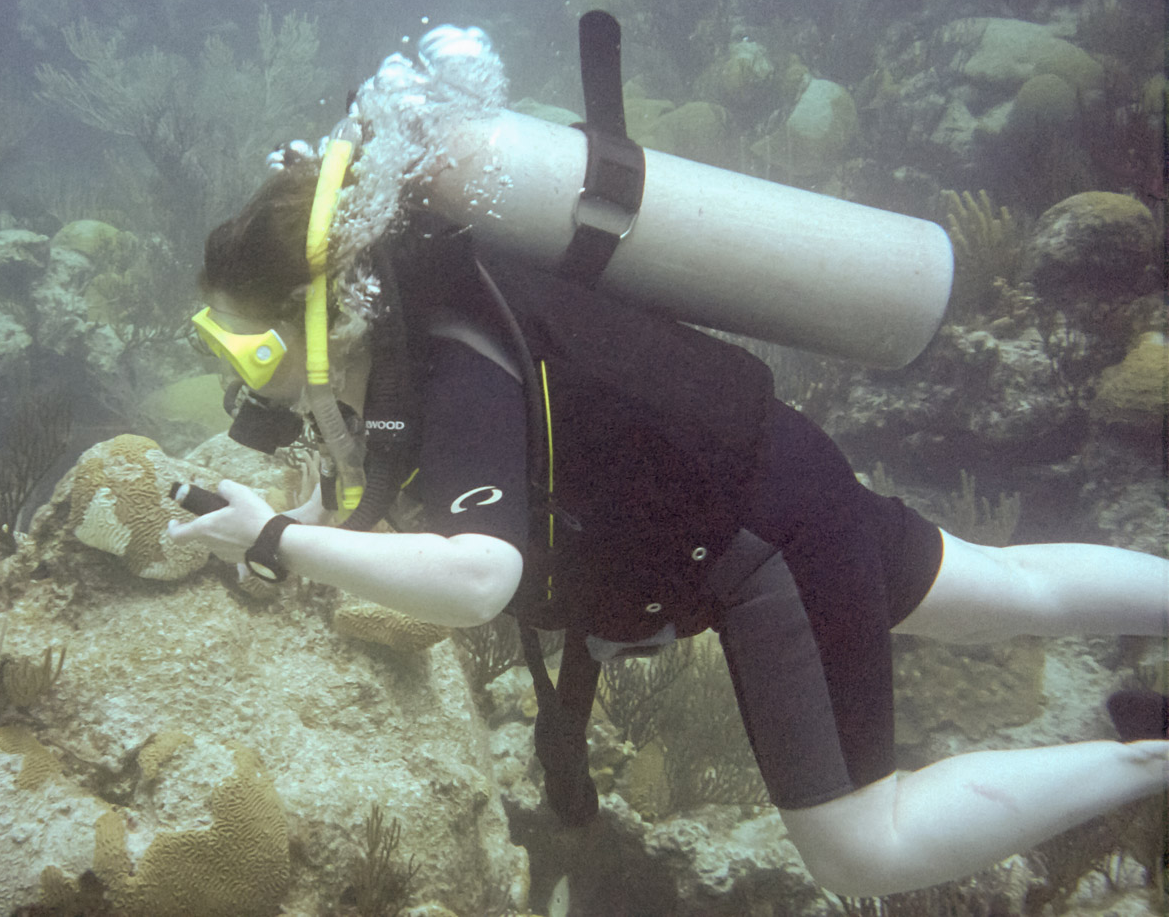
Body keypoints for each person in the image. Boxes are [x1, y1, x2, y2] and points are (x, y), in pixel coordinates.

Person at [165, 156, 1169, 898]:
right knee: (1004, 592)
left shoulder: (452, 364)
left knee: (861, 847)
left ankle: (1153, 756)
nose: (246, 387)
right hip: (784, 471)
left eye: (251, 354)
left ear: (320, 315)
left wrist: (274, 541)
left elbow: (478, 578)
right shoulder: (435, 323)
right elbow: (401, 484)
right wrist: (300, 517)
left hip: (761, 547)